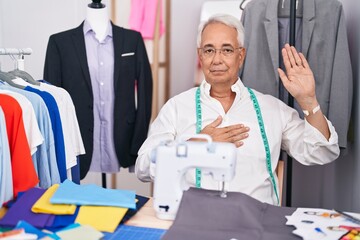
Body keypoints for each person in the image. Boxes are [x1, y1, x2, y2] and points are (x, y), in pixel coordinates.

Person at [135, 14, 340, 205]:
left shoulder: (272, 109)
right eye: (209, 50)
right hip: (194, 222)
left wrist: (309, 101)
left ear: (240, 55)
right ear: (200, 56)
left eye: (227, 50)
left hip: (256, 226)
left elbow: (322, 152)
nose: (217, 59)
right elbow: (143, 168)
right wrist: (193, 146)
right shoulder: (176, 108)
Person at [44, 1, 153, 180]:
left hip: (122, 140)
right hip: (79, 141)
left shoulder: (132, 40)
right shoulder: (60, 43)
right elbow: (52, 102)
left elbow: (145, 94)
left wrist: (137, 143)